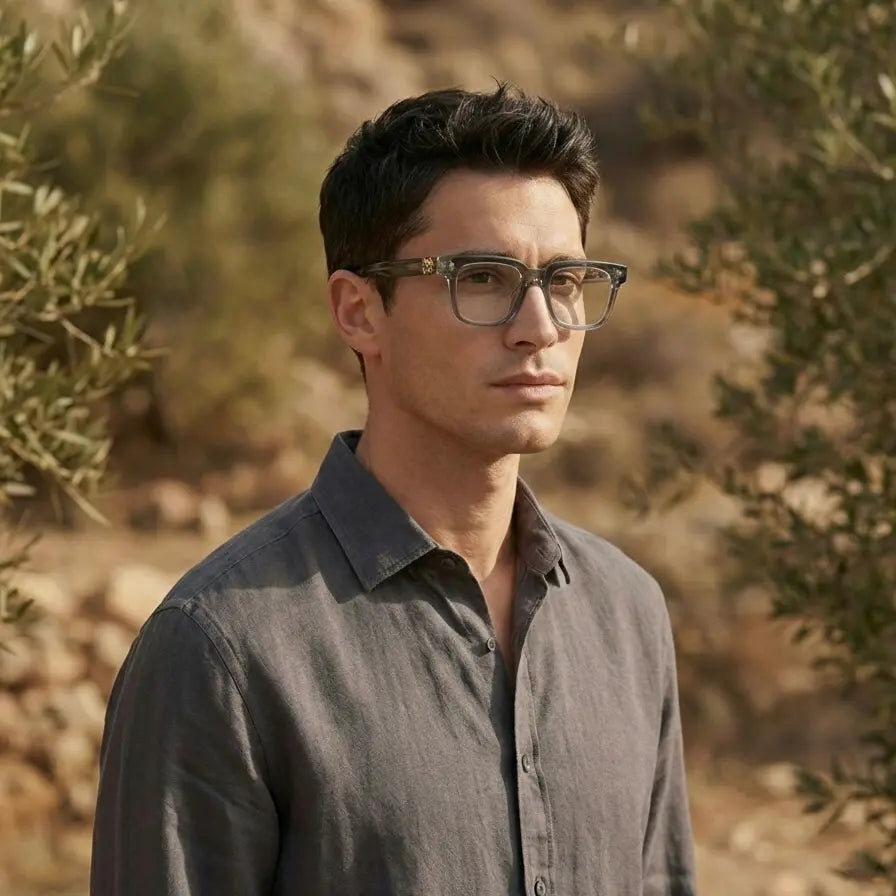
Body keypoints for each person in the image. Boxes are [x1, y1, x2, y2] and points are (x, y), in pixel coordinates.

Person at [91, 84, 697, 896]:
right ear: (359, 311)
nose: (541, 327)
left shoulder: (626, 614)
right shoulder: (220, 650)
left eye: (565, 280)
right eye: (482, 279)